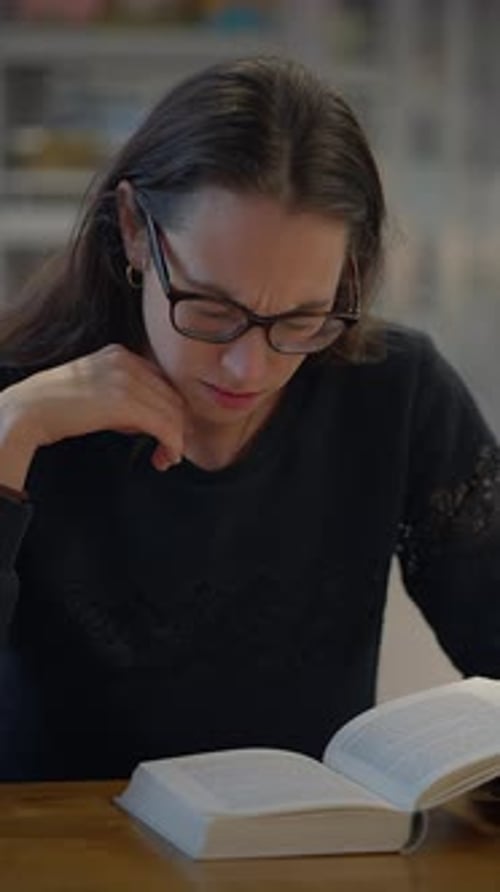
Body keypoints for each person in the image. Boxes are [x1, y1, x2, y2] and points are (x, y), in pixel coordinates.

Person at [0, 55, 499, 784]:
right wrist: (10, 434)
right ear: (136, 230)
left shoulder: (394, 390)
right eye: (210, 309)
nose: (250, 368)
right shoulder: (20, 396)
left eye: (302, 319)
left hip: (300, 858)